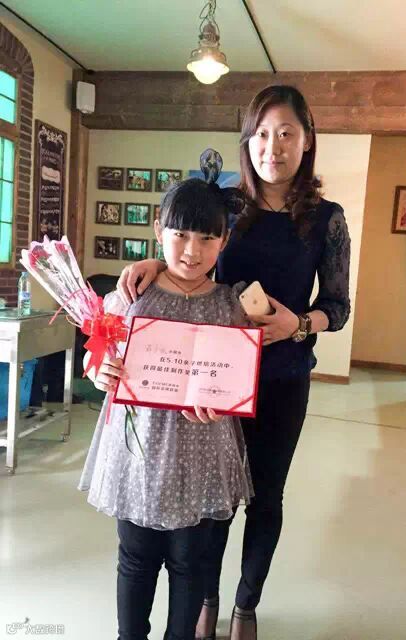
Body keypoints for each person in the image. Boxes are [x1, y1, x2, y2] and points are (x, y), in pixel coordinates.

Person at [116, 85, 351, 640]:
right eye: (262, 134)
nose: (274, 146)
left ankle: (246, 604)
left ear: (307, 141)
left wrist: (299, 325)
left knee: (266, 497)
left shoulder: (327, 219)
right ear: (248, 141)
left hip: (283, 377)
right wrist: (155, 263)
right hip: (213, 380)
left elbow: (338, 307)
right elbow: (195, 250)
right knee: (212, 495)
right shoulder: (227, 203)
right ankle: (207, 597)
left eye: (287, 133)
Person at [78, 150, 254, 640]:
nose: (192, 250)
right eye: (179, 234)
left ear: (224, 240)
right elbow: (96, 353)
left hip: (202, 452)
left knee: (191, 562)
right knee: (135, 559)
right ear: (158, 230)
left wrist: (224, 399)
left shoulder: (232, 305)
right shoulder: (132, 296)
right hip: (138, 452)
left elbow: (238, 374)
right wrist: (99, 372)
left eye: (207, 238)